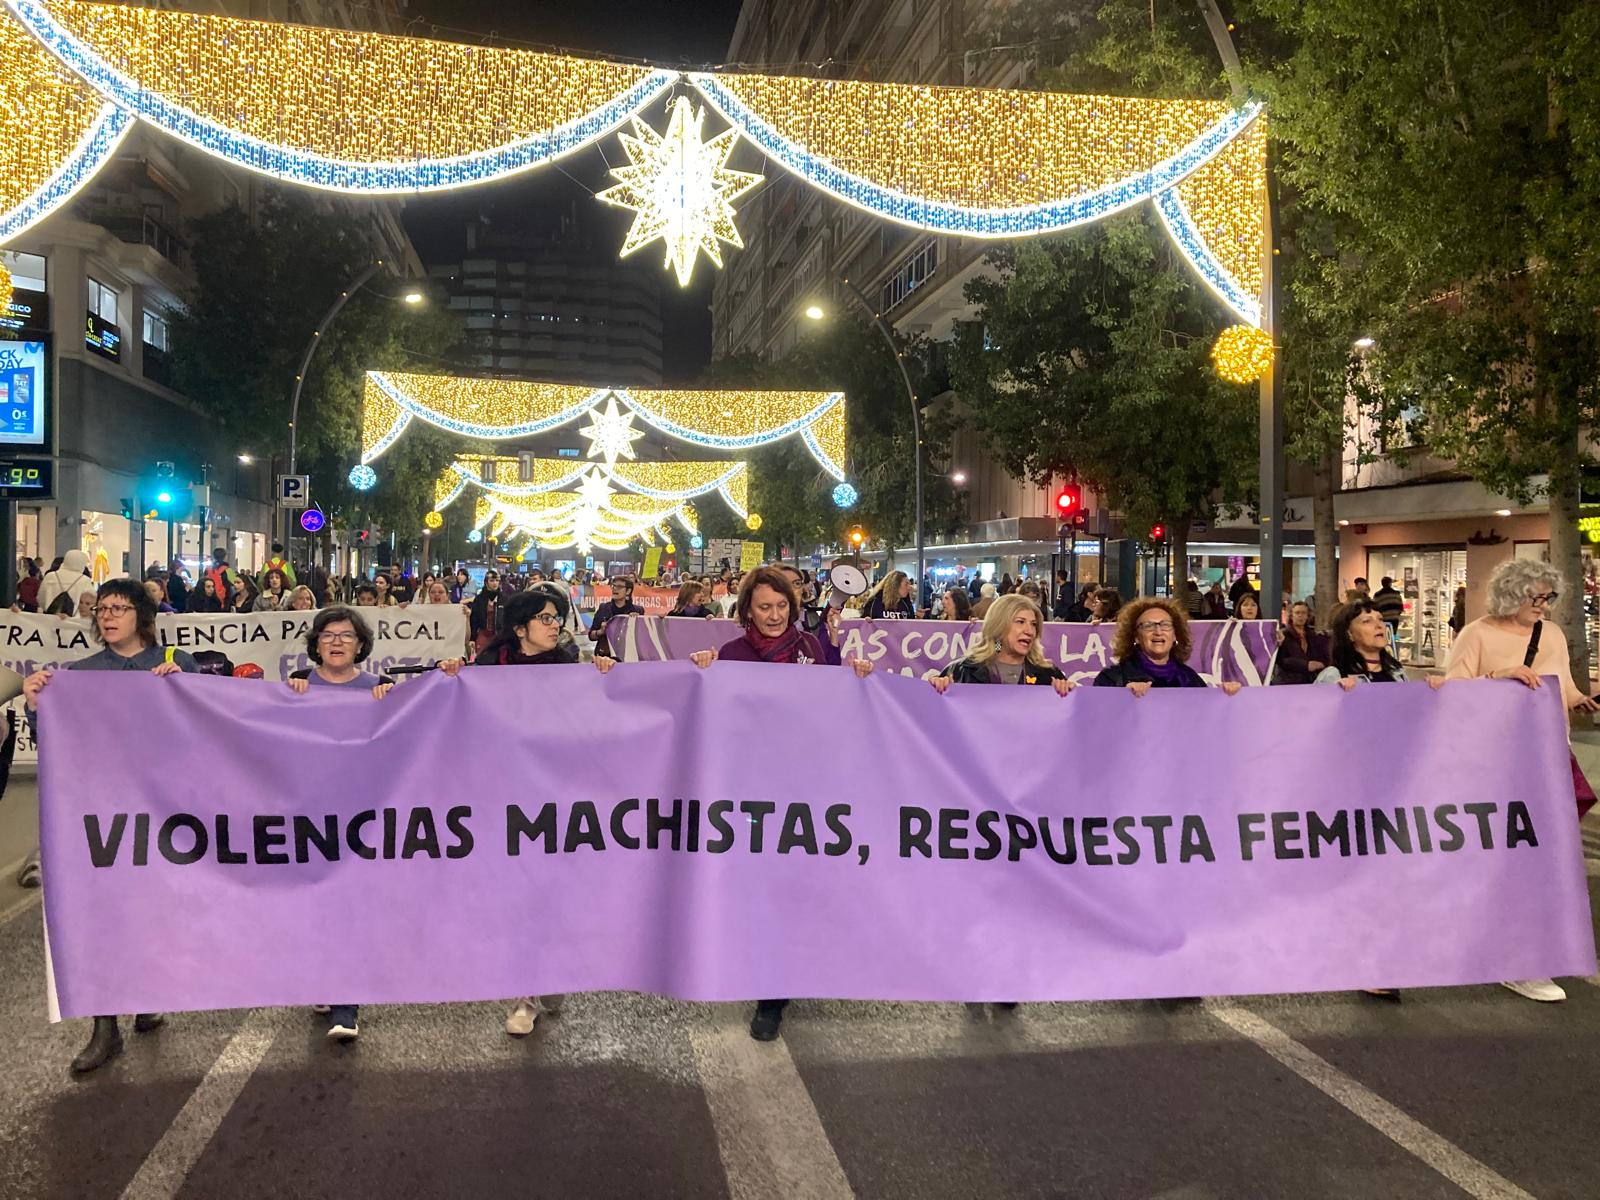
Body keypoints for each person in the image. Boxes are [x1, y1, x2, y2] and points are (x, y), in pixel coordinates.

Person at [687, 566, 873, 1042]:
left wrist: (855, 674)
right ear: (747, 608)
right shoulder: (729, 655)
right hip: (750, 791)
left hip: (805, 788)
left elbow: (839, 701)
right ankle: (761, 971)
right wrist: (702, 673)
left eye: (782, 606)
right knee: (758, 886)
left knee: (793, 886)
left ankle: (775, 991)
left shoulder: (813, 648)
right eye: (764, 607)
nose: (774, 615)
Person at [22, 579, 201, 1071]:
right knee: (98, 913)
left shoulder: (174, 664)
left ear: (142, 615)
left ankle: (148, 994)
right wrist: (39, 707)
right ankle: (105, 1028)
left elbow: (206, 730)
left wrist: (185, 689)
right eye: (102, 608)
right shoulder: (80, 675)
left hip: (162, 812)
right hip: (99, 812)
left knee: (153, 910)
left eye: (120, 607)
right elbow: (56, 738)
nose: (108, 616)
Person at [437, 584, 615, 1037]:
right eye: (546, 619)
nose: (555, 626)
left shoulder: (572, 668)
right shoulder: (486, 669)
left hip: (556, 797)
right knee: (518, 894)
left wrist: (608, 673)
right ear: (520, 628)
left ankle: (546, 973)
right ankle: (525, 992)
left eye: (558, 618)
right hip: (502, 797)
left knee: (552, 892)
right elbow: (455, 714)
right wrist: (452, 674)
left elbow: (600, 715)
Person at [1443, 558, 1599, 1004]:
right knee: (1510, 858)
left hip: (1550, 756)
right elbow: (1453, 690)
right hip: (1496, 762)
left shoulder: (1550, 635)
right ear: (1511, 593)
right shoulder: (1476, 634)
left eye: (1549, 599)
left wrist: (1581, 700)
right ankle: (1513, 954)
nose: (1544, 608)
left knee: (1548, 859)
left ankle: (1528, 950)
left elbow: (1561, 685)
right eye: (1537, 598)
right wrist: (1500, 676)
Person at [1314, 599, 1446, 1001]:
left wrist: (1432, 695)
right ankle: (1365, 960)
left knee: (1390, 876)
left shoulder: (1397, 672)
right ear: (1348, 634)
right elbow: (1312, 727)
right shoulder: (1336, 675)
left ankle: (1383, 956)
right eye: (1366, 620)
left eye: (1378, 620)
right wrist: (1337, 700)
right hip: (1354, 790)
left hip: (1395, 786)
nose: (1377, 625)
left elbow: (1412, 721)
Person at [285, 605, 396, 1042]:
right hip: (307, 813)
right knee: (314, 904)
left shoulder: (379, 689)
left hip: (360, 816)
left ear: (360, 644)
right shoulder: (296, 688)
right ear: (315, 643)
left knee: (350, 905)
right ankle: (324, 980)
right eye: (328, 635)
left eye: (346, 636)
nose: (336, 642)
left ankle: (346, 1006)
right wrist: (287, 698)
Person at [1092, 597, 1243, 696]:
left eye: (1165, 625)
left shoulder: (1190, 679)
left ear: (1175, 635)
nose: (1158, 631)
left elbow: (1207, 723)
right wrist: (1122, 698)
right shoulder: (1111, 678)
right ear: (1136, 636)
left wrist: (1228, 698)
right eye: (1148, 626)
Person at [930, 594, 1074, 695]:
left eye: (1034, 624)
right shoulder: (962, 671)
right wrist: (936, 689)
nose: (1029, 631)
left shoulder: (1048, 675)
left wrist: (1067, 694)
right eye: (1020, 622)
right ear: (998, 626)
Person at [1273, 601, 1329, 685]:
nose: (1300, 616)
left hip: (1309, 681)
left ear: (1307, 616)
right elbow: (1281, 660)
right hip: (1288, 681)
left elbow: (1321, 655)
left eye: (1303, 613)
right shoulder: (1284, 635)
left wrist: (1321, 664)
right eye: (1297, 613)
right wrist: (1306, 665)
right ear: (1291, 616)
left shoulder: (1313, 635)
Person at [589, 576, 644, 658]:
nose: (615, 589)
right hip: (605, 656)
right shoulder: (603, 608)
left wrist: (637, 623)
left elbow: (643, 638)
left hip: (628, 656)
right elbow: (591, 636)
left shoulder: (638, 610)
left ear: (628, 591)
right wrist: (601, 631)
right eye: (613, 586)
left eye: (619, 587)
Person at [38, 548, 94, 615]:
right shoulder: (85, 580)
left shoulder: (50, 576)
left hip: (51, 618)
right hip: (75, 621)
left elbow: (40, 599)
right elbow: (91, 603)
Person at [469, 570, 502, 654]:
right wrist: (472, 638)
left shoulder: (504, 599)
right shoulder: (479, 599)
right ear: (486, 582)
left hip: (499, 636)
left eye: (497, 580)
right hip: (483, 634)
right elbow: (474, 620)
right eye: (491, 580)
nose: (495, 583)